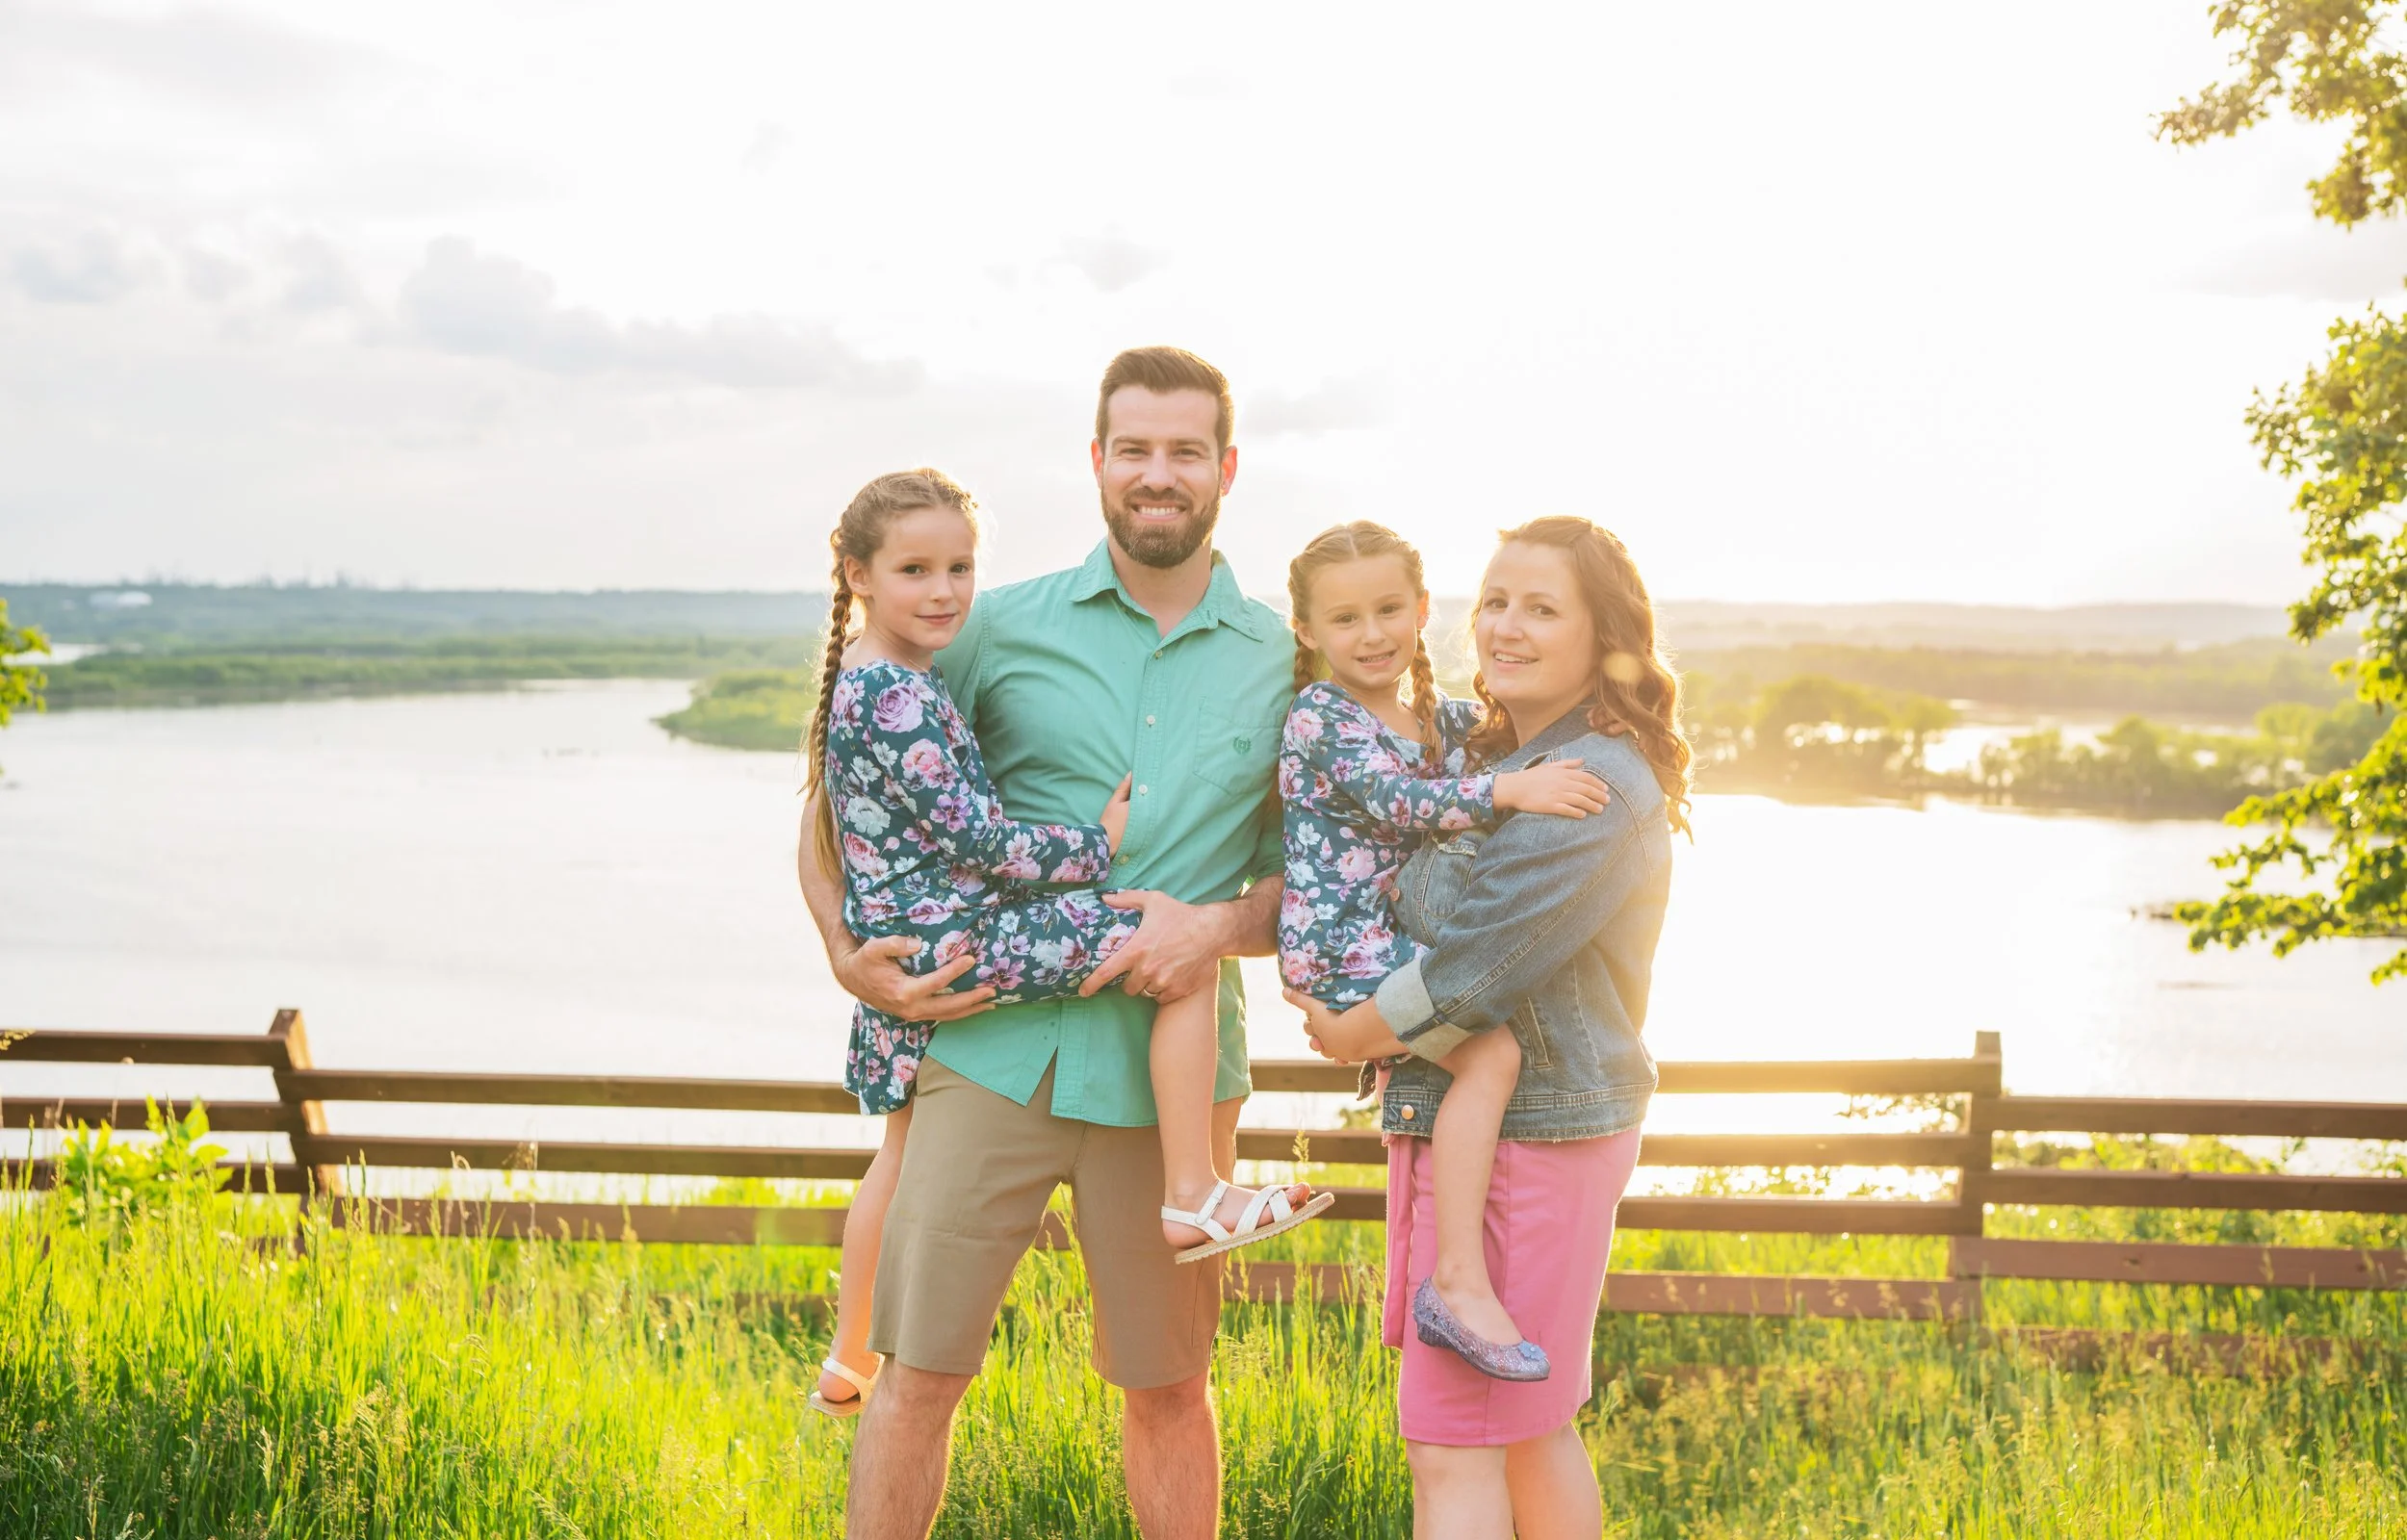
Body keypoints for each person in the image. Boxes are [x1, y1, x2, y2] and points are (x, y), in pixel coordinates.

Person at [795, 346, 1299, 1540]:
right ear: (1097, 462)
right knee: (917, 1374)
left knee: (1170, 1387)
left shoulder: (1285, 658)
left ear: (1225, 468)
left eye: (1184, 450)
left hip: (1166, 1087)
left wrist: (1215, 925)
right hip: (986, 1052)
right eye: (1134, 448)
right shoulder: (989, 625)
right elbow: (837, 803)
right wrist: (839, 947)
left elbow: (1312, 885)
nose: (1157, 473)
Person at [1291, 516, 1688, 1540]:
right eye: (1495, 600)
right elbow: (1351, 857)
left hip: (1527, 1135)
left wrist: (1350, 1034)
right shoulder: (1486, 749)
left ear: (1604, 637)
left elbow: (1477, 965)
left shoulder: (1589, 785)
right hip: (1494, 1125)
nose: (1505, 627)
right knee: (1523, 1430)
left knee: (1456, 1445)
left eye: (1541, 608)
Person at [1278, 520, 1612, 1381]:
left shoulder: (1438, 715)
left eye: (1390, 610)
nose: (1374, 634)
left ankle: (1455, 1271)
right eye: (1344, 620)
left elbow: (1503, 736)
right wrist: (1511, 790)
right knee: (1490, 1053)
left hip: (1386, 936)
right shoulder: (1323, 716)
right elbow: (1396, 800)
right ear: (1308, 632)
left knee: (1477, 1056)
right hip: (1339, 940)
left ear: (1423, 610)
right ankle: (1458, 1277)